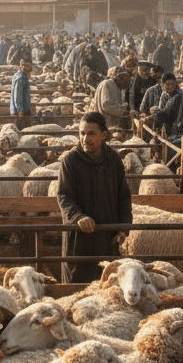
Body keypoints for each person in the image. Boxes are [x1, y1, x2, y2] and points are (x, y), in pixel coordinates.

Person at [55, 111, 132, 284]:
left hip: (107, 238)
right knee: (77, 290)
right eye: (82, 133)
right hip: (79, 239)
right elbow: (64, 195)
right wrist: (78, 217)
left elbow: (124, 196)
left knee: (108, 287)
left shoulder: (113, 160)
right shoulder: (70, 161)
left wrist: (123, 227)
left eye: (91, 134)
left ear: (103, 135)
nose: (85, 139)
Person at [91, 67, 131, 133]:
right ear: (118, 77)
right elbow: (107, 105)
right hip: (105, 123)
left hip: (109, 124)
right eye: (125, 81)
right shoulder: (108, 84)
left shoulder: (115, 86)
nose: (126, 85)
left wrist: (122, 106)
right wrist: (122, 112)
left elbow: (114, 103)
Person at [11, 60, 33, 128]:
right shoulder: (21, 78)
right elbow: (18, 95)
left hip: (20, 110)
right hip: (21, 112)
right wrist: (20, 111)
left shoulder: (19, 75)